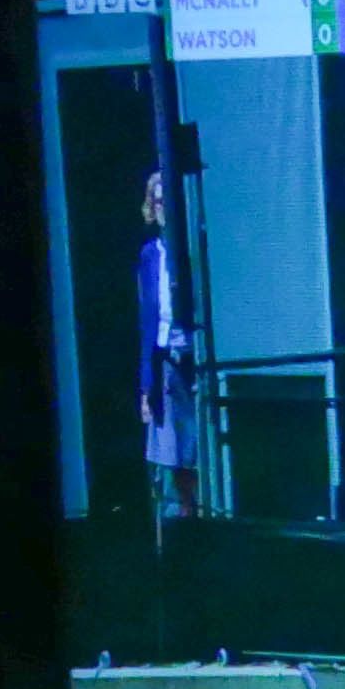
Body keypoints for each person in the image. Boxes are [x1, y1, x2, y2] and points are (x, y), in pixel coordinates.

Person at [133, 171, 192, 537]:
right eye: (157, 199)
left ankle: (195, 516)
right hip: (165, 360)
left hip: (193, 361)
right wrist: (145, 386)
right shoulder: (149, 256)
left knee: (193, 449)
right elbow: (145, 321)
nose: (162, 206)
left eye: (166, 197)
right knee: (167, 450)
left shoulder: (189, 248)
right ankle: (175, 527)